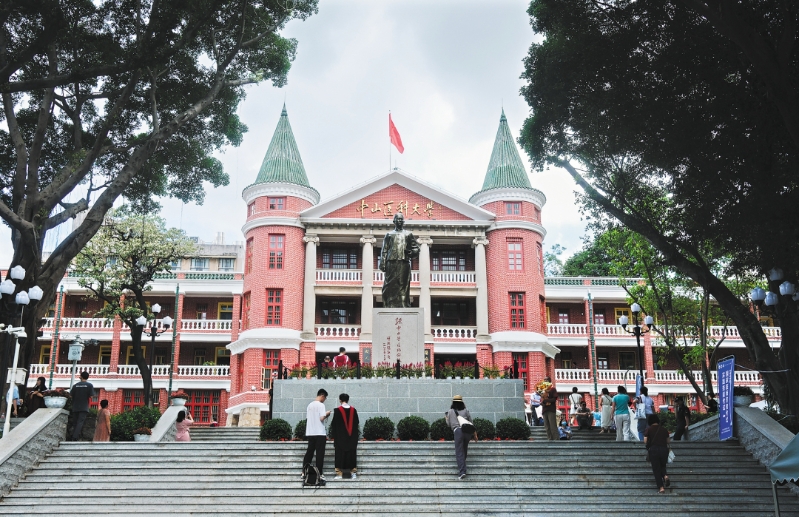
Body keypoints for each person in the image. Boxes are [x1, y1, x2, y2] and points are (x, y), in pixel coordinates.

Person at [379, 212, 420, 308]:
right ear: (394, 221)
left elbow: (416, 248)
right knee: (388, 285)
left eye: (401, 219)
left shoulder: (408, 234)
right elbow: (384, 250)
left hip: (404, 262)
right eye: (398, 219)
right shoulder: (389, 235)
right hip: (391, 262)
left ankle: (403, 304)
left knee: (403, 284)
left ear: (403, 222)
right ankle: (388, 304)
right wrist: (382, 263)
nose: (400, 221)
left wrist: (412, 252)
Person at [445, 395, 476, 480]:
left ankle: (462, 471)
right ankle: (463, 465)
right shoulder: (466, 411)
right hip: (467, 432)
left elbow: (449, 424)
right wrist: (475, 434)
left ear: (453, 402)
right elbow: (471, 422)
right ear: (462, 402)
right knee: (464, 449)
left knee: (459, 451)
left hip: (458, 431)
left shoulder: (450, 411)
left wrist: (446, 418)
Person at [303, 388, 331, 482]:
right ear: (322, 396)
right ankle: (320, 473)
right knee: (320, 454)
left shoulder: (309, 405)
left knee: (309, 452)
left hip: (311, 432)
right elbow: (322, 418)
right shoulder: (321, 405)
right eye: (325, 398)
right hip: (319, 432)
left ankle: (304, 472)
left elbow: (308, 418)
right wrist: (327, 414)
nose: (324, 400)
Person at [330, 393, 359, 480]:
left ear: (340, 400)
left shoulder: (337, 411)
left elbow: (334, 425)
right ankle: (353, 472)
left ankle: (339, 473)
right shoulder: (354, 410)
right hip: (351, 437)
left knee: (339, 455)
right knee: (352, 454)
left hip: (340, 437)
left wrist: (334, 436)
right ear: (348, 400)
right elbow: (356, 423)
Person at [644, 414, 671, 494]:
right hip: (664, 450)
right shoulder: (664, 429)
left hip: (654, 450)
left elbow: (645, 441)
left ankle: (661, 487)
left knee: (656, 469)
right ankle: (665, 476)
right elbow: (668, 441)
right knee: (662, 465)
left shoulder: (648, 429)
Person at [70, 371, 95, 441]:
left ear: (81, 376)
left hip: (75, 406)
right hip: (84, 407)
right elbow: (91, 396)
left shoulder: (75, 385)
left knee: (75, 423)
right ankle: (75, 437)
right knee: (80, 422)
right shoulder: (89, 385)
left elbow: (71, 395)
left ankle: (74, 436)